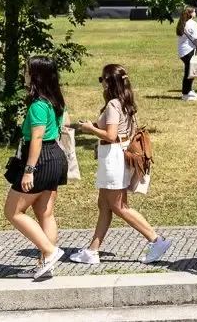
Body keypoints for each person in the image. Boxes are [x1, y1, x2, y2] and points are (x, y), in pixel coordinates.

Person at [70, 64, 172, 265]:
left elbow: (111, 134)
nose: (101, 84)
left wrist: (90, 128)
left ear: (109, 82)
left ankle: (156, 240)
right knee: (104, 205)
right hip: (118, 154)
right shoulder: (126, 102)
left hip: (113, 158)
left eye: (102, 79)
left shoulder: (113, 105)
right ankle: (93, 250)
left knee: (119, 206)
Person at [4, 56, 67, 279]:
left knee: (13, 211)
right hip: (56, 158)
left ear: (36, 75)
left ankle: (49, 252)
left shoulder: (39, 104)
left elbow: (38, 137)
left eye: (27, 70)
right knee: (45, 213)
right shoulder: (56, 100)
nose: (24, 73)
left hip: (40, 158)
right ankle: (45, 264)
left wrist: (29, 170)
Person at [175, 6, 197, 101]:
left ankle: (189, 89)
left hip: (182, 50)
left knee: (190, 71)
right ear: (191, 14)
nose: (195, 13)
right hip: (189, 50)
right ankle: (185, 93)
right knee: (189, 72)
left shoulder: (183, 23)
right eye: (194, 12)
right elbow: (196, 37)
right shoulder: (192, 23)